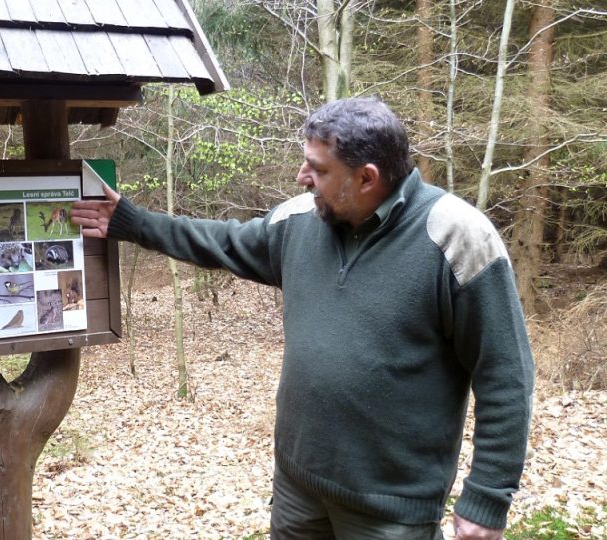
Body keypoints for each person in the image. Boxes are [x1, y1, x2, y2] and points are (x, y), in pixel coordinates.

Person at [71, 97, 533, 540]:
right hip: (298, 489)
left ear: (367, 178)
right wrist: (131, 222)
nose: (301, 177)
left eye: (318, 169)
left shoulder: (455, 237)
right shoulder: (299, 221)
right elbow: (222, 242)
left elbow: (505, 374)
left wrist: (487, 497)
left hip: (391, 509)